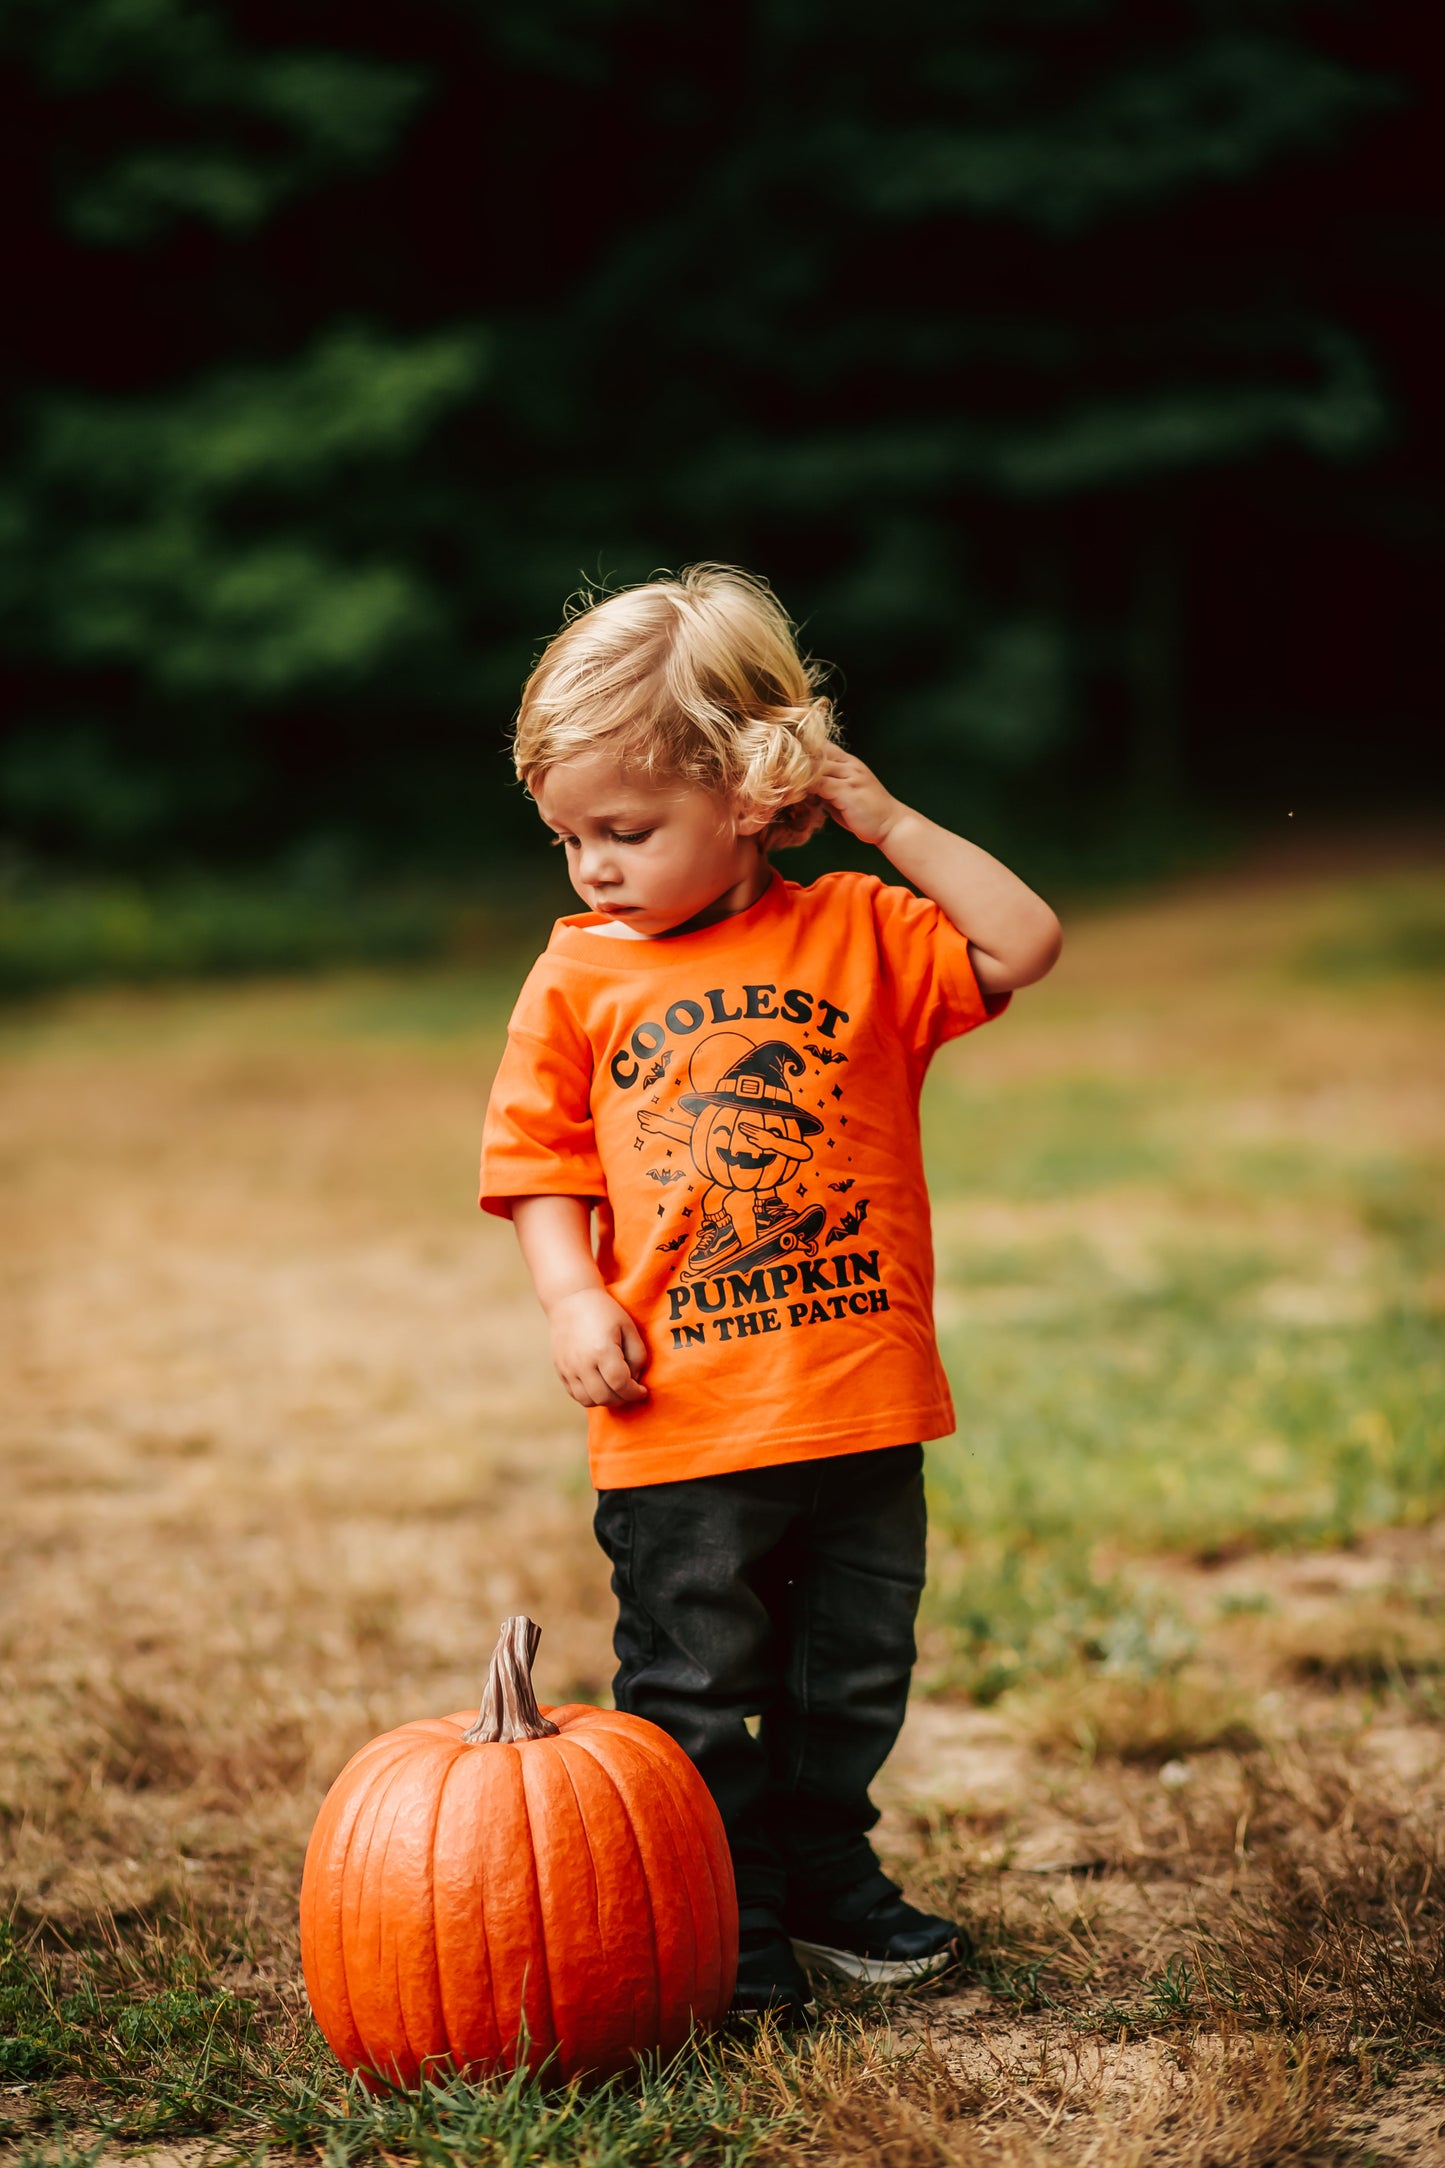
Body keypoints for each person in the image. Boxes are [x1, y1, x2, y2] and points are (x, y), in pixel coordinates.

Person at [480, 565, 1061, 2021]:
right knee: (692, 1691)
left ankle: (822, 1885)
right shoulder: (575, 976)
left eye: (623, 831)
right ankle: (718, 1933)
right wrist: (569, 1298)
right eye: (567, 838)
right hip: (682, 1420)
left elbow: (1021, 941)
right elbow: (536, 1159)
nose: (590, 868)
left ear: (748, 792)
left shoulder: (864, 933)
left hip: (859, 1402)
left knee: (846, 1679)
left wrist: (881, 817)